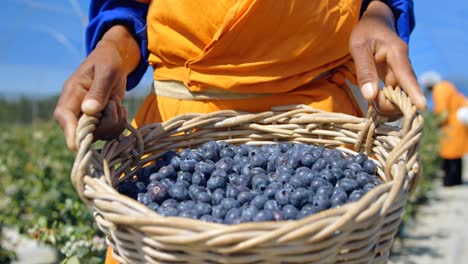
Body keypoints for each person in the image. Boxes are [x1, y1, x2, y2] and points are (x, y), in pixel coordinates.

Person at [53, 1, 426, 263]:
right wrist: (112, 47)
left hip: (320, 125)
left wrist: (379, 15)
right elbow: (127, 8)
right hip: (177, 128)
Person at [420, 71, 468, 187]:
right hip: (459, 121)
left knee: (449, 153)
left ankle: (449, 181)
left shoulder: (439, 90)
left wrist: (434, 124)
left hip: (451, 124)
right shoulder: (446, 85)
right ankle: (457, 180)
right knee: (457, 154)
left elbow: (443, 111)